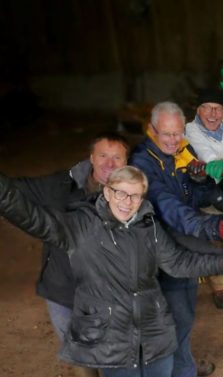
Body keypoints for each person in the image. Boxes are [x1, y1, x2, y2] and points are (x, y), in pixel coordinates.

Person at [0, 166, 223, 377]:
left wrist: (222, 262)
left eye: (135, 195)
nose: (127, 202)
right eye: (120, 192)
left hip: (155, 335)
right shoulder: (80, 226)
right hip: (111, 342)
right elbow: (31, 217)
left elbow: (177, 262)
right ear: (107, 192)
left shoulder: (149, 226)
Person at [10, 132, 129, 377]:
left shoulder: (136, 195)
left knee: (113, 357)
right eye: (103, 155)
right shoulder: (62, 185)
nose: (109, 163)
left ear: (126, 163)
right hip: (62, 290)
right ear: (91, 158)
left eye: (117, 157)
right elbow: (16, 191)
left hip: (108, 295)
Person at [130, 102, 223, 377]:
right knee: (174, 317)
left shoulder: (180, 152)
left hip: (183, 242)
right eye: (166, 134)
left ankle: (184, 363)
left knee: (185, 313)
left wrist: (204, 184)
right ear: (152, 130)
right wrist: (214, 228)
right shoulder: (142, 163)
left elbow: (190, 197)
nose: (174, 140)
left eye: (178, 133)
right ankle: (182, 370)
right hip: (161, 252)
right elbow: (169, 206)